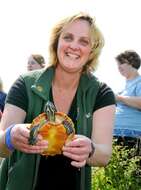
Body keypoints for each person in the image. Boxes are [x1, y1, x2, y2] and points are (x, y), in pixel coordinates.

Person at [0, 12, 115, 190]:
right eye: (68, 37)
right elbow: (1, 147)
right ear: (56, 42)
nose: (74, 46)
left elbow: (104, 155)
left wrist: (91, 149)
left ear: (92, 50)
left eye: (84, 41)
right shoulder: (25, 83)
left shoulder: (101, 92)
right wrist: (10, 136)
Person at [113, 50, 141, 152]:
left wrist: (119, 98)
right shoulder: (124, 87)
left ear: (132, 63)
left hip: (132, 135)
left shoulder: (139, 82)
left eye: (122, 63)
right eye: (118, 64)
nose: (119, 67)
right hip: (117, 134)